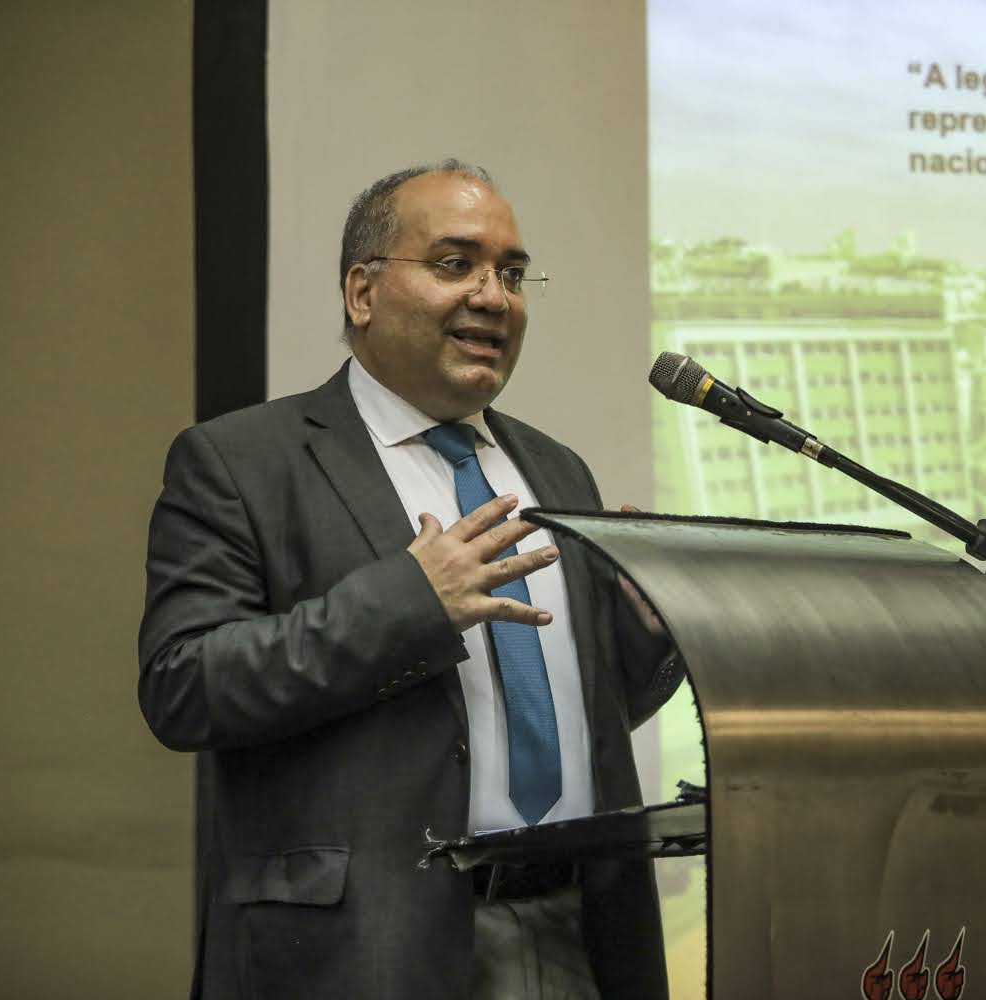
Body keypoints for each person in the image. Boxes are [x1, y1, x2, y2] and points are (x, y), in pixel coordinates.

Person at [138, 159, 681, 999]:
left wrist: (649, 635)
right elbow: (184, 685)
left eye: (509, 272)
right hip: (365, 947)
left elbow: (568, 713)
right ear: (362, 292)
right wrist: (408, 603)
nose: (493, 297)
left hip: (578, 929)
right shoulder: (243, 462)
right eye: (455, 264)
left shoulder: (555, 469)